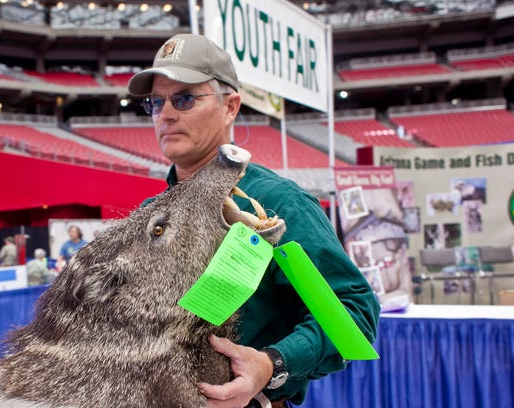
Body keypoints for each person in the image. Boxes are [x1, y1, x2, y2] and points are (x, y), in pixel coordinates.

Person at [127, 33, 380, 408]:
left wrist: (271, 363)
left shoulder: (279, 203)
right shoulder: (149, 214)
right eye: (155, 102)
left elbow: (354, 311)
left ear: (230, 107)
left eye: (184, 98)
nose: (165, 114)